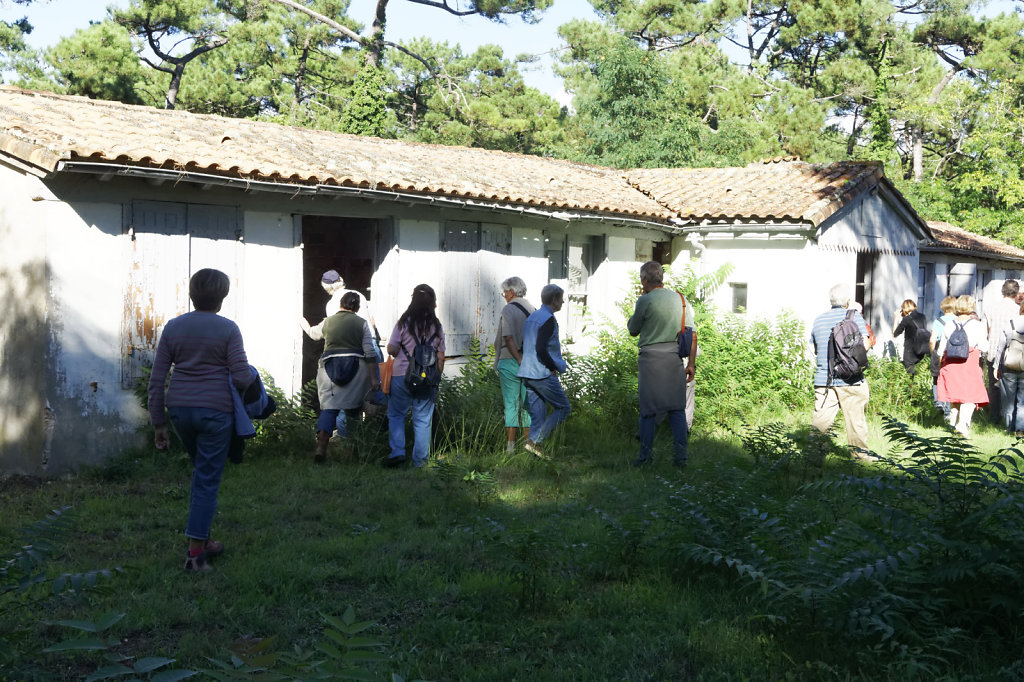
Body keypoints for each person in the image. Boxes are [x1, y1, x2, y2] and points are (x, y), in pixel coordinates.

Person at [148, 269, 253, 572]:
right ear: (222, 297)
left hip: (180, 410)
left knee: (201, 473)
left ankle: (203, 539)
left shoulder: (173, 327)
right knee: (207, 480)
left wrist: (159, 423)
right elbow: (242, 376)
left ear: (191, 293)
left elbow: (157, 379)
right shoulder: (228, 329)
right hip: (216, 412)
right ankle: (195, 556)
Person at [626, 261, 695, 468]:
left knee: (648, 410)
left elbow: (633, 329)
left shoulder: (645, 300)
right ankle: (680, 459)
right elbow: (692, 335)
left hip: (650, 360)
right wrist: (691, 364)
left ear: (645, 280)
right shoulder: (681, 300)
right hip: (674, 358)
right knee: (677, 409)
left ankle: (645, 458)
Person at [312, 292, 378, 463]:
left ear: (340, 304)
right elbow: (370, 352)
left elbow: (314, 334)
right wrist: (373, 379)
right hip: (356, 369)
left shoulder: (328, 321)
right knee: (353, 410)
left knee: (329, 409)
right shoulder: (362, 323)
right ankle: (353, 452)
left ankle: (321, 447)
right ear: (357, 308)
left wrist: (303, 324)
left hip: (329, 368)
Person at [385, 284, 445, 468]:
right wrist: (436, 376)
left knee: (396, 414)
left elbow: (392, 348)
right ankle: (420, 461)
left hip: (401, 375)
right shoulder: (436, 325)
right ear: (432, 302)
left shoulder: (404, 322)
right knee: (423, 419)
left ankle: (397, 453)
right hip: (427, 377)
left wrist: (402, 350)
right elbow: (441, 354)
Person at [810, 283, 870, 451]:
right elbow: (864, 345)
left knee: (820, 423)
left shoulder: (818, 320)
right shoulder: (854, 316)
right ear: (848, 301)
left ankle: (812, 457)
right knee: (855, 421)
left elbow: (814, 349)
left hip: (824, 379)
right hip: (851, 380)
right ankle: (859, 457)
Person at [517, 284, 571, 458]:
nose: (563, 301)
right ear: (554, 300)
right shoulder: (548, 319)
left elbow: (525, 345)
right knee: (564, 408)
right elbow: (540, 348)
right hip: (541, 373)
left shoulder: (532, 317)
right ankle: (535, 441)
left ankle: (533, 456)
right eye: (561, 298)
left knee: (537, 416)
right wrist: (553, 366)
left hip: (526, 372)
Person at [494, 276, 535, 453]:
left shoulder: (508, 309)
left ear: (511, 292)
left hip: (510, 360)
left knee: (511, 404)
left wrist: (518, 359)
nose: (504, 296)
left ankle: (510, 448)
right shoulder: (533, 309)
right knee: (527, 404)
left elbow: (507, 337)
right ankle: (529, 445)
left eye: (504, 292)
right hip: (530, 362)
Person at [937, 295, 989, 436]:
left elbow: (941, 349)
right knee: (971, 395)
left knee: (955, 395)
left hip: (951, 363)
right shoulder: (978, 325)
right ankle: (963, 425)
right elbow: (984, 347)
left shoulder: (949, 325)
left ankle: (953, 424)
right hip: (969, 362)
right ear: (972, 307)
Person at [984, 280, 1020, 420]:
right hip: (1013, 353)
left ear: (1002, 291)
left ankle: (994, 417)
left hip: (993, 351)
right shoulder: (1018, 310)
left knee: (994, 387)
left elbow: (986, 331)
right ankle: (1011, 418)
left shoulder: (990, 309)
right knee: (1013, 388)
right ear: (1016, 293)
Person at [991, 302, 1024, 434]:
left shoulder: (1010, 323)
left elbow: (1000, 347)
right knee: (1022, 401)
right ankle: (1020, 429)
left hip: (1009, 366)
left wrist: (995, 366)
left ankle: (1009, 428)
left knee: (1008, 401)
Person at [930, 296, 957, 418]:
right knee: (951, 380)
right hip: (954, 352)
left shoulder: (938, 321)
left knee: (937, 378)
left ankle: (939, 402)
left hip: (939, 350)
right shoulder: (958, 320)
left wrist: (933, 352)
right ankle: (948, 410)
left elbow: (932, 340)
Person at [891, 299, 929, 375]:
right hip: (921, 349)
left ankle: (911, 386)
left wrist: (896, 318)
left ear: (904, 309)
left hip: (910, 351)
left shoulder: (906, 319)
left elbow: (895, 334)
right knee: (919, 372)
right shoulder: (923, 317)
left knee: (909, 374)